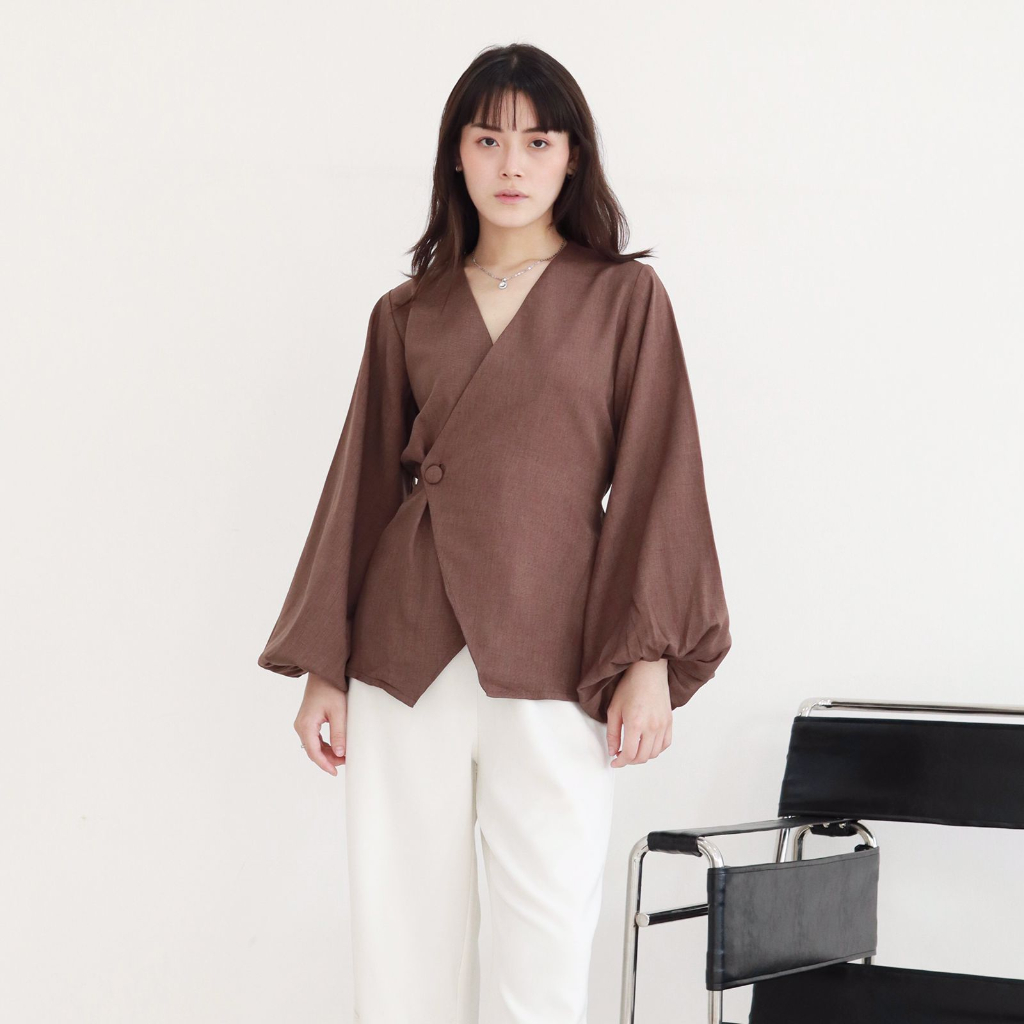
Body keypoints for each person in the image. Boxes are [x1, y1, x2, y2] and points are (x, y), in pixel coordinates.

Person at [256, 43, 732, 1024]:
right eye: (488, 141)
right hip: (406, 654)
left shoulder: (621, 298)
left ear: (572, 157)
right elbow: (360, 484)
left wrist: (648, 656)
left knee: (544, 949)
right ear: (457, 157)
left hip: (553, 649)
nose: (512, 164)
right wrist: (324, 667)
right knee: (403, 946)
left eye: (537, 141)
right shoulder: (407, 312)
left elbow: (658, 476)